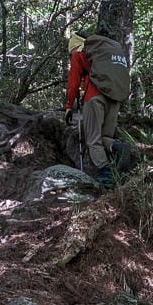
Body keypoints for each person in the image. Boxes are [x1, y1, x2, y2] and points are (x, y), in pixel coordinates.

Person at [64, 25, 130, 186]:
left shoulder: (79, 52)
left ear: (74, 45)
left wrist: (69, 106)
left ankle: (106, 172)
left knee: (92, 139)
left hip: (94, 98)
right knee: (105, 137)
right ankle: (118, 147)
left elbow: (73, 83)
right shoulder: (102, 53)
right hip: (114, 97)